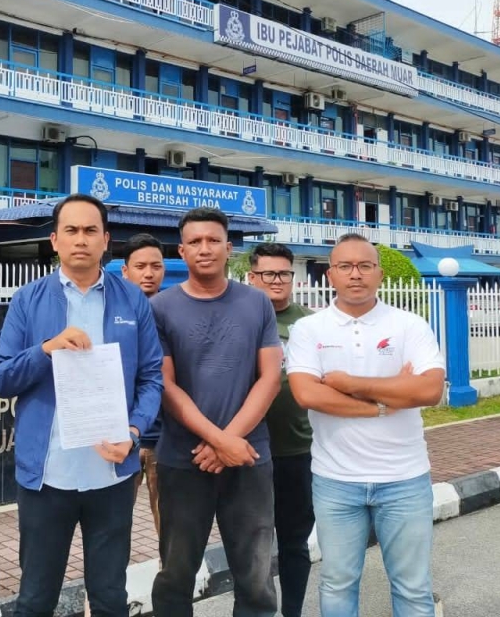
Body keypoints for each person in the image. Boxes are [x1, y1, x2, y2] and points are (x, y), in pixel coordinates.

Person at [0, 194, 163, 617]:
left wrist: (134, 431)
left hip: (112, 474)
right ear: (54, 240)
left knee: (109, 597)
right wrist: (46, 349)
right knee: (35, 598)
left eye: (90, 231)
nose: (80, 240)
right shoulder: (28, 299)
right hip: (48, 476)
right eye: (71, 230)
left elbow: (151, 378)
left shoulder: (132, 300)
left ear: (106, 240)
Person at [286, 233, 445, 617]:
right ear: (330, 274)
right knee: (338, 584)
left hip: (404, 478)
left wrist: (351, 384)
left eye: (364, 266)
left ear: (380, 273)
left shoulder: (410, 325)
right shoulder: (310, 330)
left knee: (412, 588)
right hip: (335, 480)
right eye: (345, 266)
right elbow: (308, 395)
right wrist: (386, 401)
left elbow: (429, 389)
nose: (355, 274)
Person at [151, 207, 282, 617]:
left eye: (213, 241)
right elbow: (166, 386)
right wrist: (218, 440)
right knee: (176, 572)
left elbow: (270, 378)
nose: (204, 249)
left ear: (229, 247)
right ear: (181, 250)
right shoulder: (160, 308)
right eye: (194, 242)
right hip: (183, 459)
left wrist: (229, 440)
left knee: (256, 574)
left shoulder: (257, 303)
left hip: (248, 456)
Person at [247, 243, 314, 617]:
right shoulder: (240, 319)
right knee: (251, 546)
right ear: (252, 277)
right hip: (247, 452)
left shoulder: (308, 323)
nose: (277, 280)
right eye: (268, 274)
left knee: (294, 543)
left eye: (284, 273)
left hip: (297, 451)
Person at [119, 233, 166, 535]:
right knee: (115, 526)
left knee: (171, 528)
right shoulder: (113, 314)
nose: (148, 273)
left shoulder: (174, 312)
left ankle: (171, 583)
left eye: (155, 266)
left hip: (167, 440)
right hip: (123, 439)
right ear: (125, 271)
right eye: (140, 266)